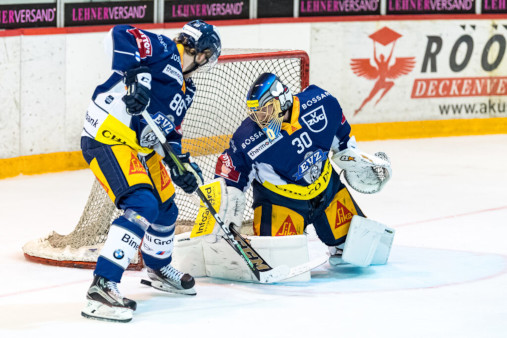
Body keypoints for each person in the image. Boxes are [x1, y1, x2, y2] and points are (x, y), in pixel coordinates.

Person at [80, 20, 221, 322]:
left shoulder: (187, 89)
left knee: (167, 209)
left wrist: (182, 165)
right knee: (142, 205)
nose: (205, 63)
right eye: (207, 57)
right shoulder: (164, 49)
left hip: (141, 148)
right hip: (108, 136)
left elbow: (169, 135)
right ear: (201, 51)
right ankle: (102, 286)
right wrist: (139, 77)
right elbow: (120, 34)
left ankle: (157, 268)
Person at [214, 73, 393, 269]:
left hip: (326, 189)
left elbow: (342, 139)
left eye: (265, 110)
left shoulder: (322, 103)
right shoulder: (247, 137)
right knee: (278, 263)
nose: (260, 118)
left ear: (282, 100)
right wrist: (226, 201)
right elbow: (231, 173)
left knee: (362, 249)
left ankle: (338, 242)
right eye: (256, 112)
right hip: (281, 201)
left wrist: (354, 159)